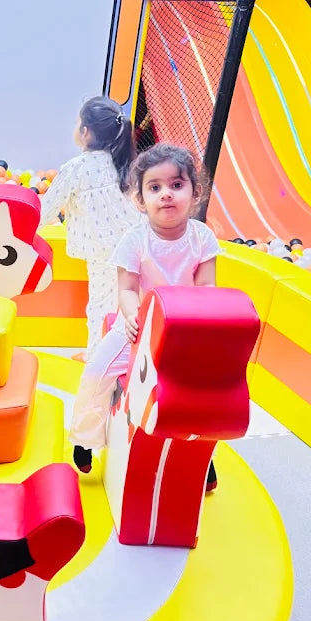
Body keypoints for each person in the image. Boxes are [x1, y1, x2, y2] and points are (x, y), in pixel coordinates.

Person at [69, 143, 220, 489]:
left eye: (176, 185)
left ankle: (202, 456)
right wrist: (132, 315)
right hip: (139, 327)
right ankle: (85, 437)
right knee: (95, 371)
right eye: (155, 188)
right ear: (140, 200)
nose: (166, 194)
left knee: (202, 390)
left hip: (186, 331)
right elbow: (126, 288)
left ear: (195, 193)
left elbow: (207, 286)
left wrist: (200, 327)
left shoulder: (202, 238)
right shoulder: (135, 239)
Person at [39, 96, 138, 360]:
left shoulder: (77, 168)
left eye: (77, 123)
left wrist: (21, 228)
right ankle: (116, 352)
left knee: (100, 304)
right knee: (128, 300)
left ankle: (97, 356)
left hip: (105, 251)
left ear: (85, 132)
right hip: (134, 241)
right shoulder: (124, 162)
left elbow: (46, 208)